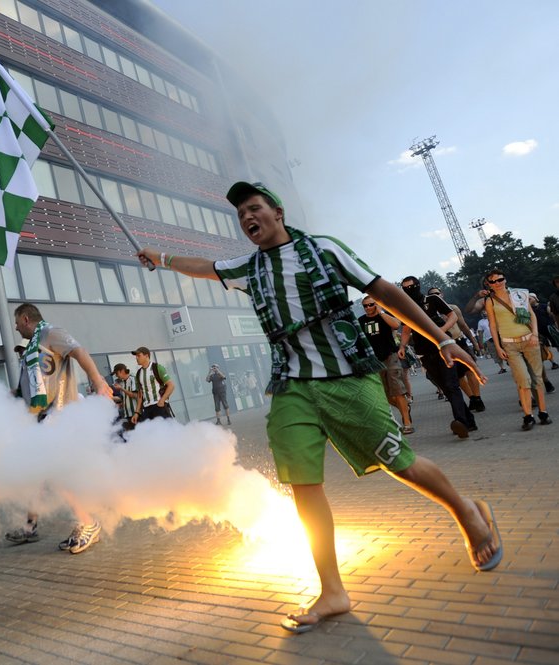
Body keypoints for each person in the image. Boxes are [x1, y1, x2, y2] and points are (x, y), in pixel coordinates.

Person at [137, 181, 499, 634]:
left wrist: (442, 339)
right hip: (292, 386)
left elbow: (386, 292)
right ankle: (333, 591)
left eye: (255, 208)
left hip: (347, 376)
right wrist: (161, 257)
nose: (248, 218)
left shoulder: (324, 249)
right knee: (302, 483)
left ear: (277, 212)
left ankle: (466, 510)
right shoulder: (248, 267)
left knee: (396, 461)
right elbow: (206, 268)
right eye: (241, 215)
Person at [5, 303, 113, 554]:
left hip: (61, 418)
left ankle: (89, 523)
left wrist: (98, 382)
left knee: (57, 473)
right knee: (36, 475)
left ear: (25, 318)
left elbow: (79, 351)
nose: (15, 327)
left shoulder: (50, 334)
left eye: (17, 322)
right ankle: (29, 527)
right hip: (41, 420)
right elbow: (24, 392)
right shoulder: (30, 355)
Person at [398, 277, 478, 438]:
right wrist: (402, 346)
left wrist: (442, 330)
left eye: (412, 286)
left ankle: (460, 421)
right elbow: (406, 329)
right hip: (424, 351)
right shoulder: (405, 307)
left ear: (418, 286)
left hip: (443, 347)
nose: (409, 289)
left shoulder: (432, 299)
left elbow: (453, 316)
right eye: (405, 287)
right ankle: (469, 420)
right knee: (446, 387)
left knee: (452, 384)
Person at [482, 272, 550, 430]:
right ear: (489, 284)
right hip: (509, 344)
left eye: (500, 279)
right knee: (523, 380)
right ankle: (528, 416)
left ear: (505, 280)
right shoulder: (490, 301)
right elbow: (492, 325)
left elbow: (531, 315)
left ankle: (543, 412)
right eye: (493, 281)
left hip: (529, 340)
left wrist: (534, 334)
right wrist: (498, 347)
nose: (497, 283)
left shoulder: (519, 294)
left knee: (537, 379)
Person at [358, 297, 413, 434]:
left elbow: (396, 325)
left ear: (376, 305)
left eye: (371, 304)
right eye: (365, 306)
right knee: (385, 395)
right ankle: (404, 408)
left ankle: (407, 423)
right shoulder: (360, 321)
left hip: (390, 356)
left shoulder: (385, 317)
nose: (368, 308)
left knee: (398, 390)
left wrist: (381, 312)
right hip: (374, 360)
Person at [428, 287, 486, 412]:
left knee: (470, 370)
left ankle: (478, 398)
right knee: (458, 376)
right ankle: (471, 398)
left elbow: (463, 325)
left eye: (437, 294)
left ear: (442, 294)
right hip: (445, 345)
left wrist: (474, 342)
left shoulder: (452, 308)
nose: (436, 296)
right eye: (432, 295)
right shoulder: (428, 313)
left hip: (459, 342)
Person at [131, 346, 175, 421]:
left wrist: (162, 400)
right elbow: (140, 394)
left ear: (146, 356)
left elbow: (171, 385)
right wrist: (137, 412)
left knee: (167, 430)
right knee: (150, 432)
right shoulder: (138, 373)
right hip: (147, 408)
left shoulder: (157, 367)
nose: (136, 358)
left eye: (139, 356)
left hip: (159, 405)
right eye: (136, 356)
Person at [528, 293, 556, 393]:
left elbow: (551, 314)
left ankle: (545, 380)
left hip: (541, 332)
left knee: (538, 358)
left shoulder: (542, 306)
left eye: (530, 298)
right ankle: (528, 391)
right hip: (517, 338)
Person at [112, 363, 139, 434]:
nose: (116, 376)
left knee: (139, 435)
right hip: (127, 415)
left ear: (121, 371)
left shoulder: (133, 379)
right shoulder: (123, 383)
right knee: (130, 437)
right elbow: (124, 398)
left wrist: (121, 388)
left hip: (136, 414)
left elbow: (135, 395)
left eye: (116, 373)